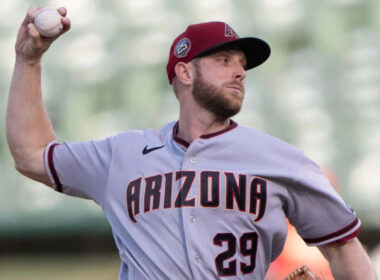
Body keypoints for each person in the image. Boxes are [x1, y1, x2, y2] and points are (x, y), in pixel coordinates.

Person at [6, 6, 377, 280]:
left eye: (242, 63)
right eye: (224, 59)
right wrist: (29, 59)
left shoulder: (282, 160)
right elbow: (31, 155)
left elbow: (343, 247)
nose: (239, 71)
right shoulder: (122, 155)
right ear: (184, 71)